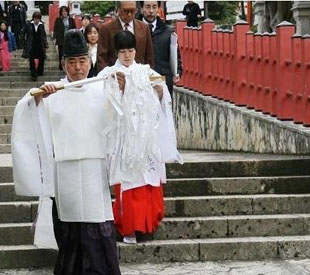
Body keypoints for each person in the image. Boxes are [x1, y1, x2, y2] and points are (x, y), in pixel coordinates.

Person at [11, 30, 121, 275]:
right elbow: (26, 108)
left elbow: (123, 115)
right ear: (63, 64)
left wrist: (123, 88)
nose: (78, 67)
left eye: (82, 61)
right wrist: (38, 100)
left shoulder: (103, 90)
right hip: (65, 170)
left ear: (90, 62)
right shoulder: (54, 92)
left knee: (97, 223)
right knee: (70, 229)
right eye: (71, 62)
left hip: (95, 167)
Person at [98, 30, 182, 244]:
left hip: (146, 139)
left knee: (147, 182)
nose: (127, 55)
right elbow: (106, 108)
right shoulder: (108, 74)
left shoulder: (146, 72)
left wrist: (160, 92)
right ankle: (128, 227)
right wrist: (122, 90)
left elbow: (161, 101)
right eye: (123, 51)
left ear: (136, 50)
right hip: (124, 140)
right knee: (128, 184)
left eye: (131, 50)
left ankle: (148, 225)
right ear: (117, 52)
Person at [97, 1, 154, 71]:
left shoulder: (144, 27)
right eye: (125, 11)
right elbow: (102, 57)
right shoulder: (106, 28)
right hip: (115, 75)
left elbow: (149, 56)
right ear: (117, 10)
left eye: (132, 11)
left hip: (139, 75)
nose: (129, 14)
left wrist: (149, 76)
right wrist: (107, 76)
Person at [141, 1, 183, 96]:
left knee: (162, 107)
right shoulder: (135, 30)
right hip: (140, 79)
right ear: (141, 8)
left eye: (154, 7)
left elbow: (176, 55)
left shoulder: (168, 32)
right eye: (147, 7)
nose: (151, 11)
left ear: (159, 9)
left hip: (162, 77)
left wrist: (177, 72)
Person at [23, 11, 48, 81]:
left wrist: (45, 45)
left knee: (42, 58)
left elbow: (44, 36)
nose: (36, 20)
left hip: (40, 45)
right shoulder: (29, 24)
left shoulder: (41, 25)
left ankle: (40, 71)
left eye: (38, 18)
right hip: (31, 45)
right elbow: (22, 33)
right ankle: (33, 74)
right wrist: (24, 43)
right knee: (31, 60)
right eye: (35, 18)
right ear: (33, 18)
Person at [53, 6, 76, 71]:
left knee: (69, 55)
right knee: (61, 55)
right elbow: (55, 29)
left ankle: (68, 67)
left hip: (70, 40)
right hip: (61, 40)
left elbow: (74, 29)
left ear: (67, 12)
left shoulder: (71, 20)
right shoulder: (58, 20)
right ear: (61, 12)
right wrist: (55, 37)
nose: (64, 12)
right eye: (63, 11)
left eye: (65, 11)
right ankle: (61, 67)